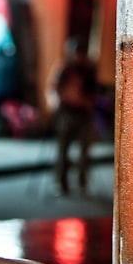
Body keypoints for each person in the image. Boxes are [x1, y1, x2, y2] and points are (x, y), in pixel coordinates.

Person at [49, 38, 98, 196]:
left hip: (83, 113)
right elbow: (55, 88)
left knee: (85, 150)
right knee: (63, 148)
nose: (79, 56)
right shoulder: (64, 69)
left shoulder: (88, 70)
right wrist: (59, 101)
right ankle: (61, 182)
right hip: (67, 113)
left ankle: (82, 182)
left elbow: (93, 91)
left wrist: (87, 101)